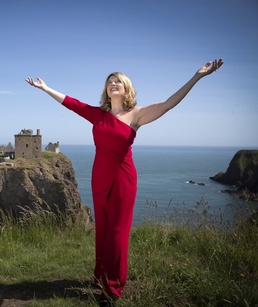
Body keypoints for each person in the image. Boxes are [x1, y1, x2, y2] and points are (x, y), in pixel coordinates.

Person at [25, 59, 224, 304]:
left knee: (118, 233)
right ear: (106, 90)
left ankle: (112, 289)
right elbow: (71, 103)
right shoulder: (98, 114)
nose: (113, 84)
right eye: (109, 82)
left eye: (117, 81)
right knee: (104, 231)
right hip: (100, 177)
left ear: (126, 87)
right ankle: (100, 276)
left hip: (123, 178)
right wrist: (46, 88)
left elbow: (169, 104)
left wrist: (197, 76)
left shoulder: (137, 114)